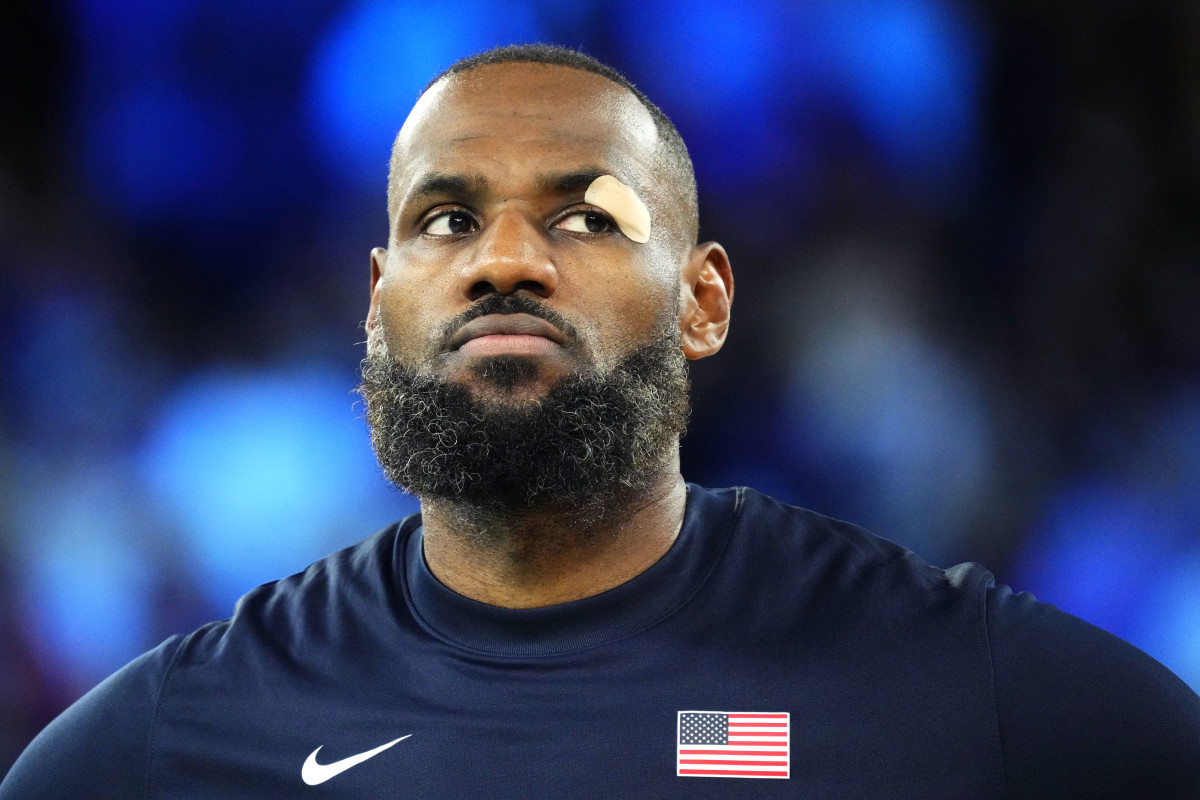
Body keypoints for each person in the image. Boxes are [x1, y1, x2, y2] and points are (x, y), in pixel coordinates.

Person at [3, 43, 1198, 799]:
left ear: (703, 302)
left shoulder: (949, 678)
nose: (506, 259)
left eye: (586, 218)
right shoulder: (188, 731)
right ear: (378, 304)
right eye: (447, 220)